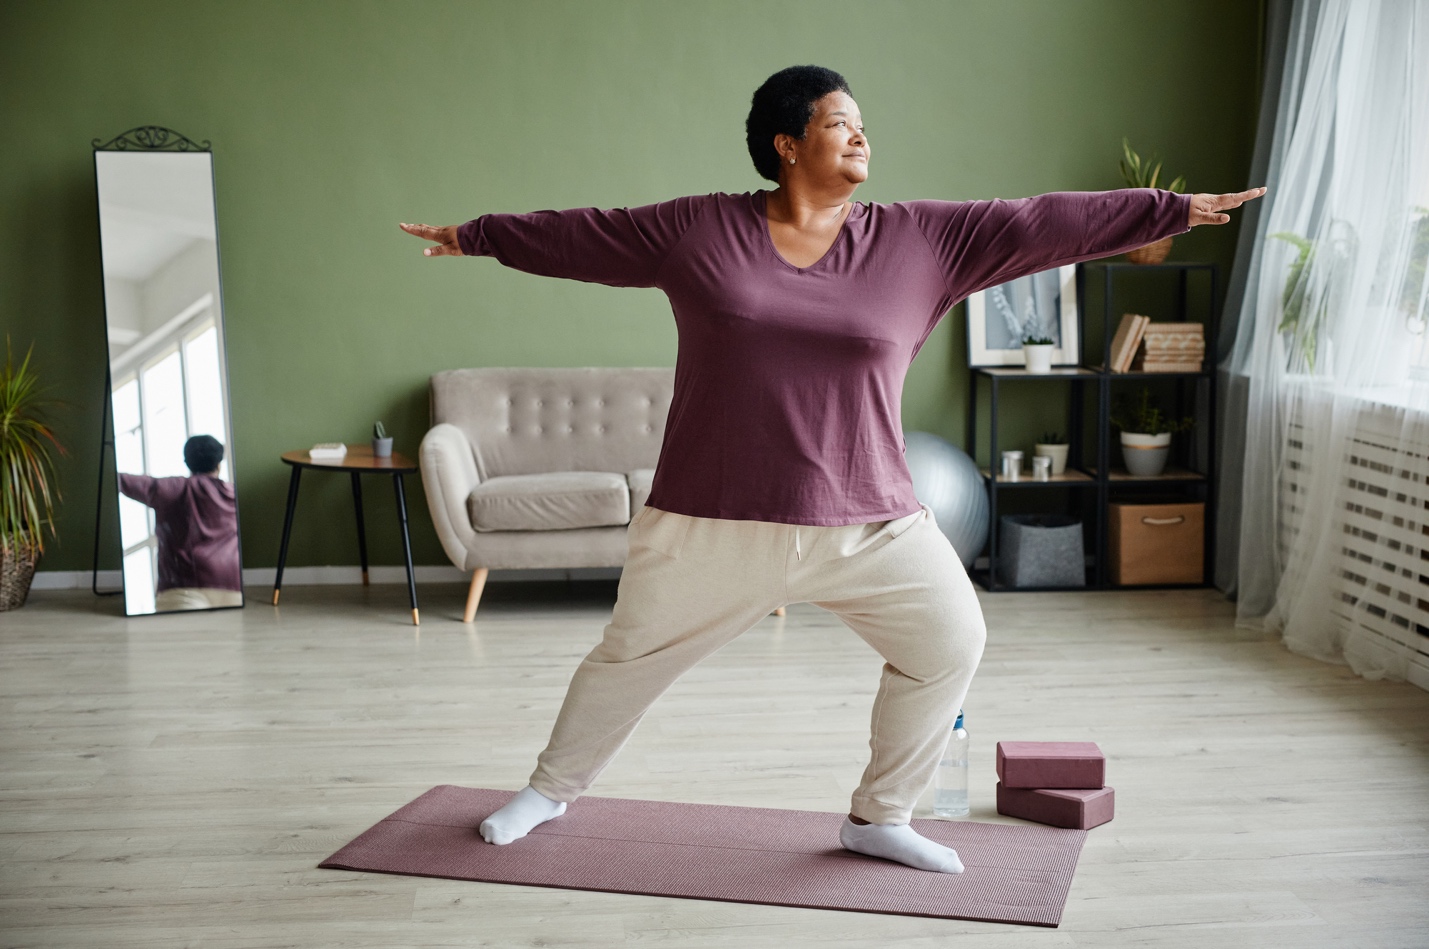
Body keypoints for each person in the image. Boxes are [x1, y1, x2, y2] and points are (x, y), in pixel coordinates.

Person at [401, 65, 1264, 874]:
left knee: (950, 642)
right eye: (839, 123)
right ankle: (547, 793)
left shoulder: (924, 240)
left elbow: (1038, 220)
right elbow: (584, 234)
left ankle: (880, 816)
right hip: (713, 518)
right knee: (625, 661)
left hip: (869, 518)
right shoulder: (701, 229)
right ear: (786, 142)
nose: (860, 138)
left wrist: (1167, 209)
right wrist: (476, 235)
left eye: (861, 126)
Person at [118, 434, 243, 611]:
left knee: (180, 638)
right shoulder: (232, 493)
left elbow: (123, 481)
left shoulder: (173, 489)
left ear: (187, 462)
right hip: (232, 586)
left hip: (183, 589)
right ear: (219, 465)